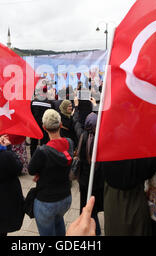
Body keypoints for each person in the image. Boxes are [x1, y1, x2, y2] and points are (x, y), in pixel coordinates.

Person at [28, 109, 74, 236]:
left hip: (46, 200)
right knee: (59, 224)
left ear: (44, 127)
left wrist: (40, 172)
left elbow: (31, 170)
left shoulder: (42, 151)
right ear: (60, 125)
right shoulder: (69, 143)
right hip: (65, 198)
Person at [102, 157, 156, 235]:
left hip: (112, 199)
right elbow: (153, 165)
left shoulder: (108, 150)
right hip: (135, 198)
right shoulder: (139, 151)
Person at [72, 99, 104, 236]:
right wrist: (96, 107)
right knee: (95, 206)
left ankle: (94, 231)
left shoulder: (82, 136)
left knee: (88, 209)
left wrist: (77, 108)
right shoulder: (102, 139)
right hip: (100, 180)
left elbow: (76, 123)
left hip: (85, 181)